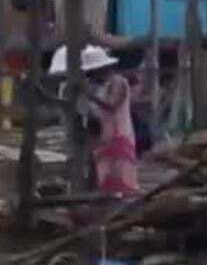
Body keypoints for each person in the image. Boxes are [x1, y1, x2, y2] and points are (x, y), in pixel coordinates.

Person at [49, 45, 140, 195]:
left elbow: (111, 105)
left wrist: (87, 93)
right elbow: (88, 112)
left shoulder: (118, 82)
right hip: (103, 137)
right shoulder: (95, 86)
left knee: (119, 176)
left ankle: (119, 201)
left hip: (118, 135)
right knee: (100, 174)